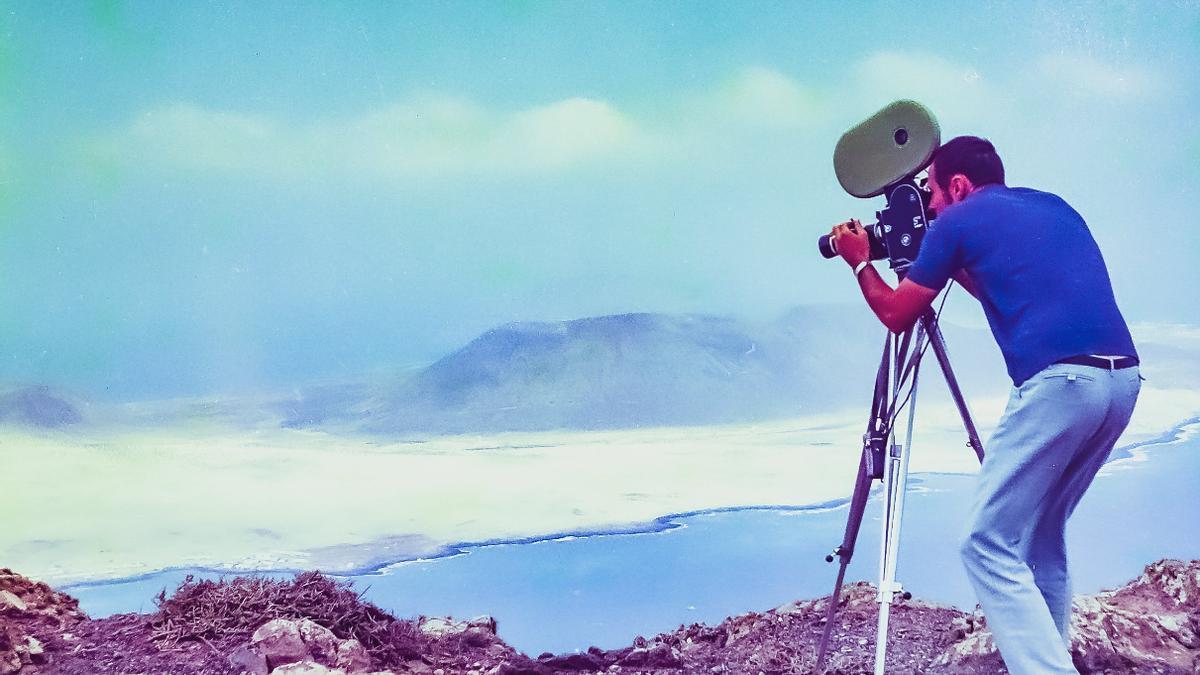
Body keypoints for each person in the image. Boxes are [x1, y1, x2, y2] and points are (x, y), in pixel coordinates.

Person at [827, 135, 1140, 674]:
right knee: (1042, 534)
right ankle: (1052, 652)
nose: (929, 207)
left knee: (984, 542)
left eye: (931, 194)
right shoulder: (1052, 205)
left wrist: (860, 262)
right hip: (1121, 382)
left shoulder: (957, 222)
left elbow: (897, 315)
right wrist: (935, 259)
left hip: (1060, 385)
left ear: (959, 185)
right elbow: (1000, 284)